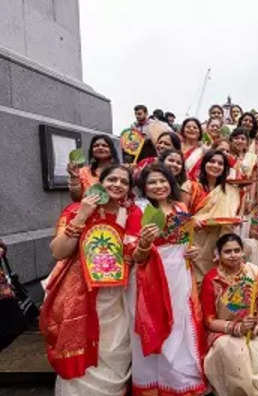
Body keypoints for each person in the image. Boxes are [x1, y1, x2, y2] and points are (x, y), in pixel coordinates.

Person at [40, 165, 141, 395]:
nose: (117, 184)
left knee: (115, 352)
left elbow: (136, 256)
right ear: (100, 183)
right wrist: (83, 214)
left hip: (118, 299)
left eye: (123, 182)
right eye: (111, 179)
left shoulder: (133, 214)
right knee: (79, 356)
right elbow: (58, 251)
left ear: (129, 188)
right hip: (80, 294)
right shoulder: (76, 209)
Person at [129, 163, 208, 395]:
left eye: (163, 181)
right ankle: (155, 385)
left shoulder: (180, 207)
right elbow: (136, 255)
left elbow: (186, 241)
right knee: (155, 324)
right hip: (151, 276)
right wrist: (144, 244)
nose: (158, 186)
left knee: (182, 323)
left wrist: (192, 252)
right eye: (152, 182)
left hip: (180, 273)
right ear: (144, 186)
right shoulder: (138, 210)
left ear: (170, 183)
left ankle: (181, 383)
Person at [201, 234, 258, 396]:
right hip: (224, 331)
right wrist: (237, 328)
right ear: (219, 255)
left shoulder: (254, 272)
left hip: (253, 327)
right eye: (227, 252)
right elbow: (209, 321)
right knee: (235, 355)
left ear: (243, 252)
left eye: (237, 250)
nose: (233, 255)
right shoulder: (212, 279)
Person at [191, 150, 241, 282]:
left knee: (216, 281)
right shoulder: (191, 186)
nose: (215, 165)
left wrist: (234, 221)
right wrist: (193, 222)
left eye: (220, 163)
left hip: (219, 240)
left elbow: (231, 215)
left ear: (225, 168)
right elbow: (182, 215)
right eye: (212, 161)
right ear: (204, 164)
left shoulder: (230, 190)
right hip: (195, 239)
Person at [68, 134, 120, 201]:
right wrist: (74, 177)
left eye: (105, 145)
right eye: (96, 146)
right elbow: (76, 199)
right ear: (92, 151)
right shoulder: (83, 172)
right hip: (88, 209)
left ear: (111, 150)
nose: (100, 147)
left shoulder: (120, 171)